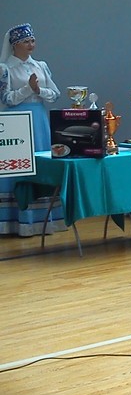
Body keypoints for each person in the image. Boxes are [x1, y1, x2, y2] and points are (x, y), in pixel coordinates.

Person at [0, 23, 66, 237]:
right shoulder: (5, 69)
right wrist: (27, 89)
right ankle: (17, 218)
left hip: (38, 119)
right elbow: (6, 99)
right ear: (15, 44)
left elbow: (54, 94)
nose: (31, 45)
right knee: (19, 166)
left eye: (32, 40)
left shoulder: (40, 65)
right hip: (17, 121)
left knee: (41, 163)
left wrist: (38, 90)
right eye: (26, 41)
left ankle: (45, 218)